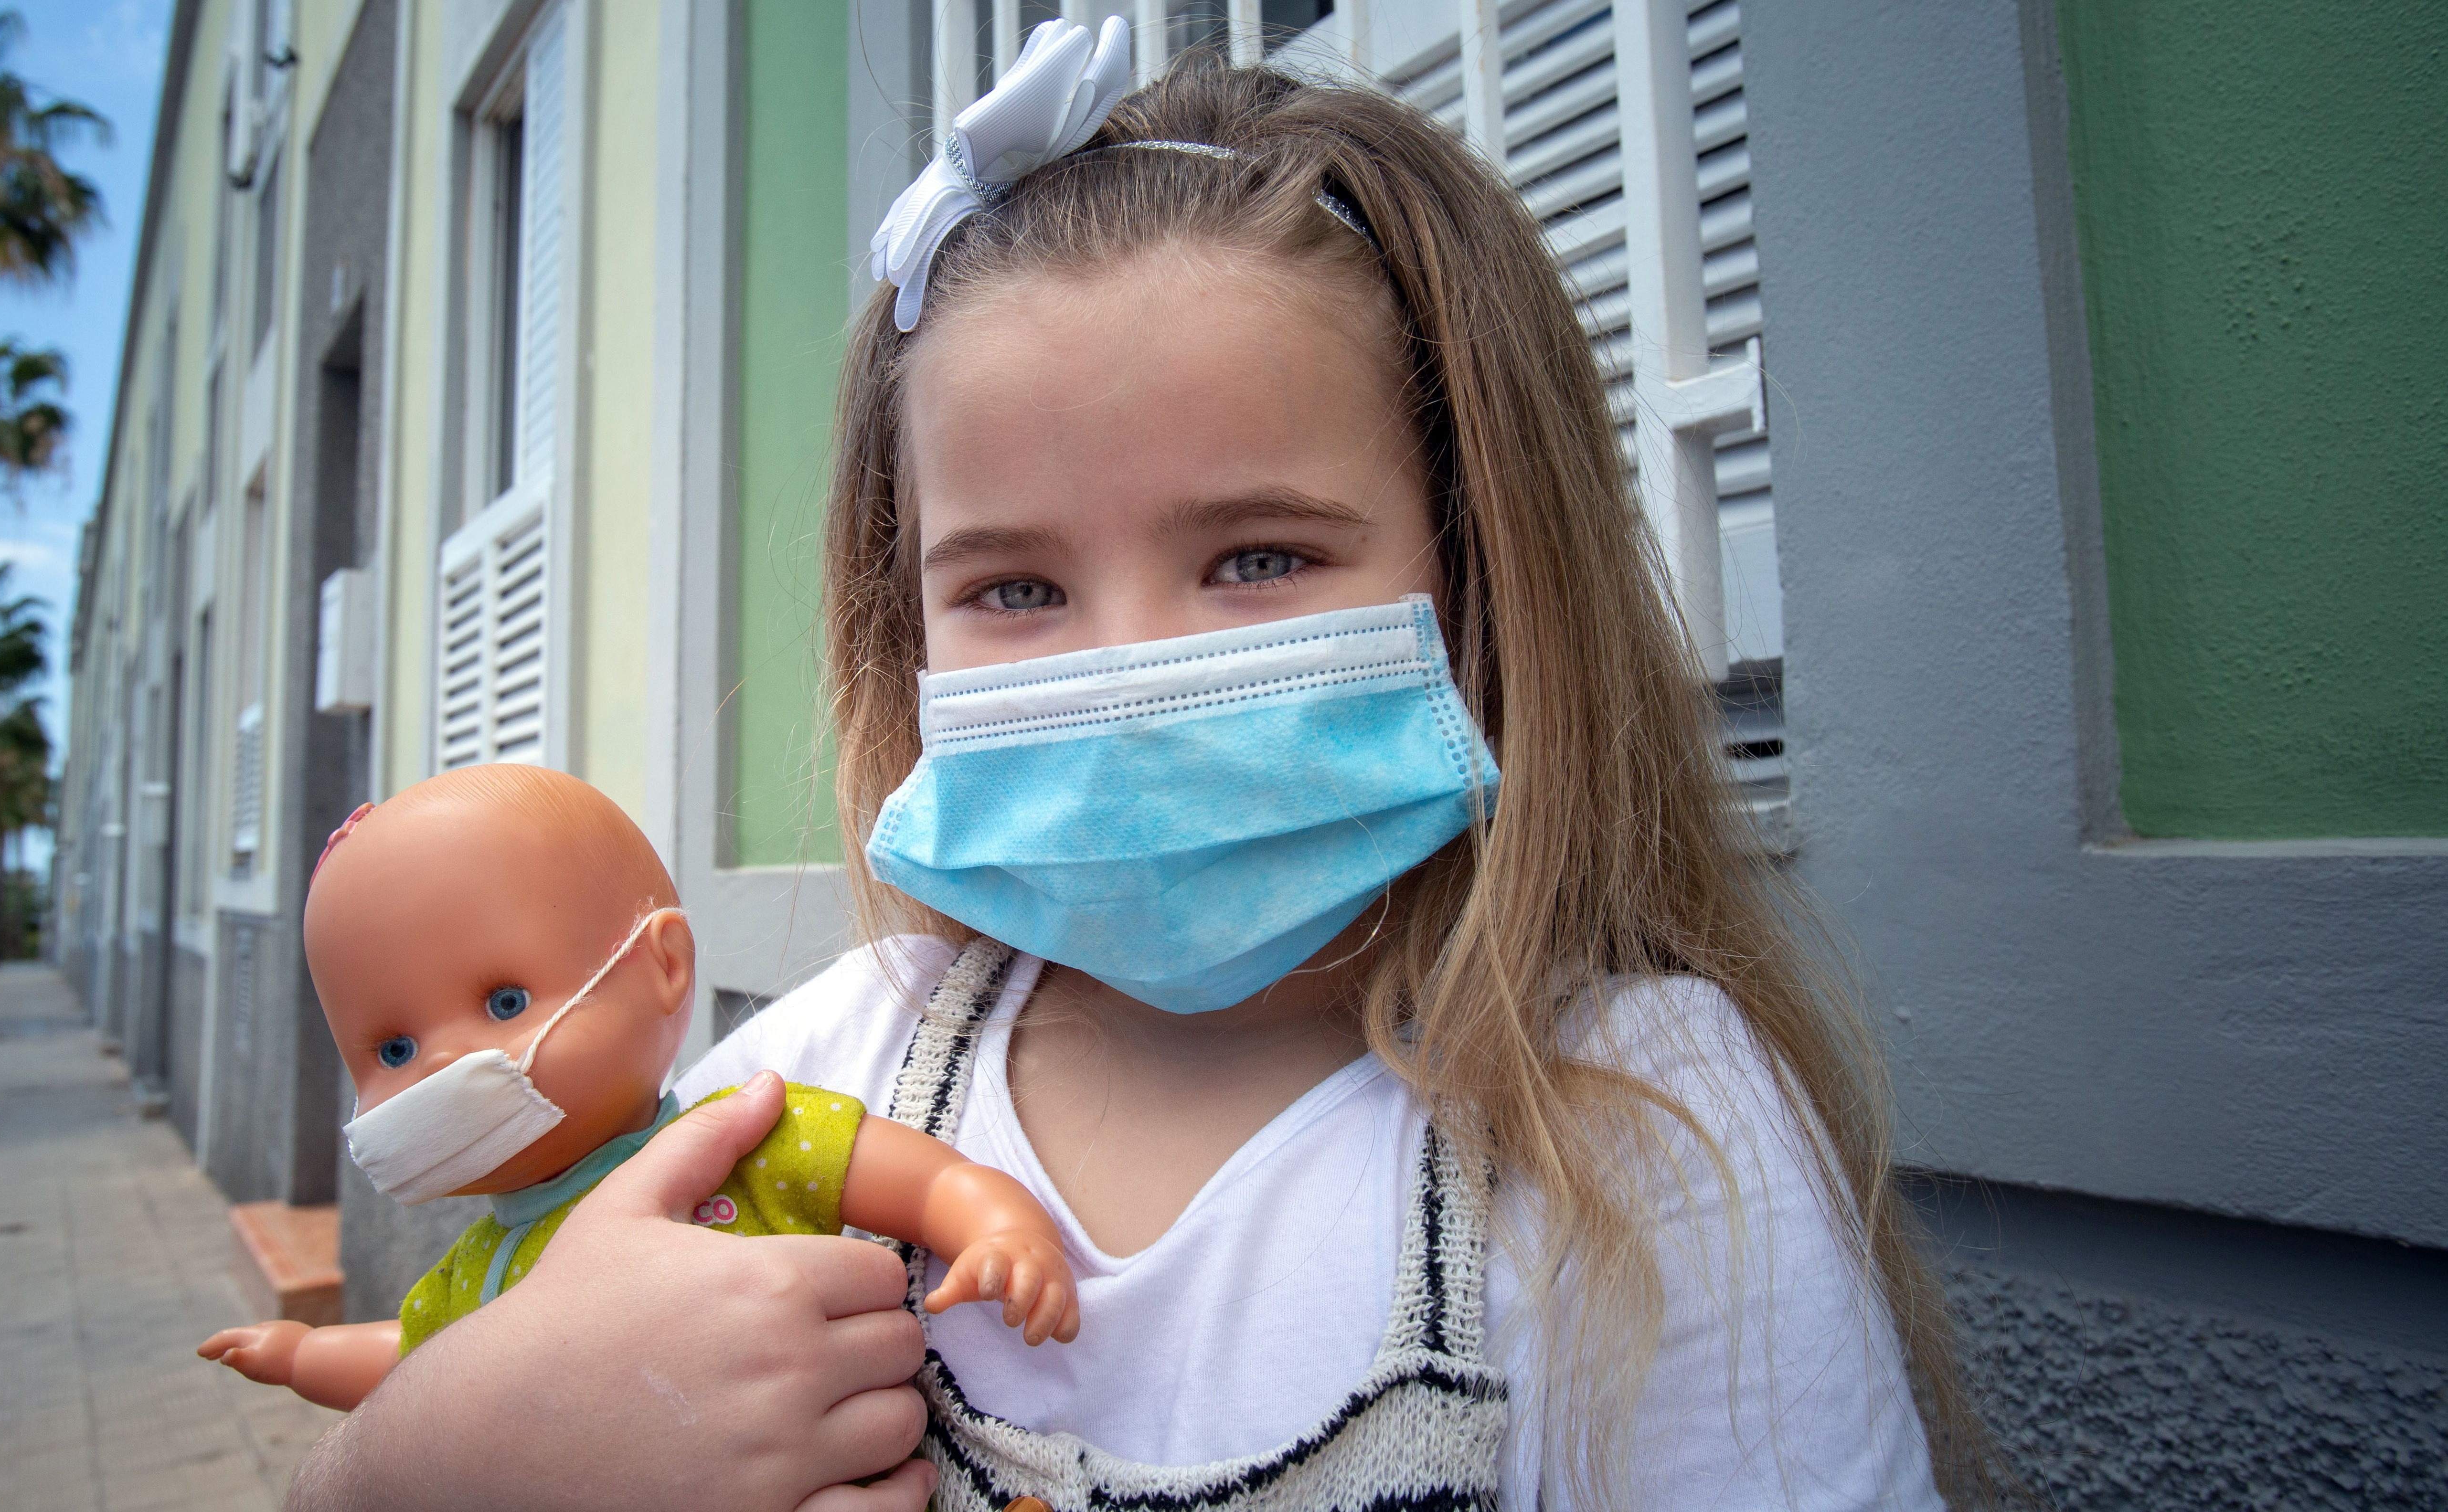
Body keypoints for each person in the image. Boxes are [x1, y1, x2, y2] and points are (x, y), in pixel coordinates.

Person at [290, 24, 1999, 1512]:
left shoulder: (1641, 1133)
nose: (1122, 663)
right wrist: (427, 1458)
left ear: (1483, 576)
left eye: (1257, 555)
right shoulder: (844, 1048)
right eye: (1016, 587)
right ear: (909, 627)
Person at [198, 765, 1079, 1411]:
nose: (435, 1062)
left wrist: (1001, 1228)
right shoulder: (477, 1269)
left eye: (504, 1002)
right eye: (391, 1049)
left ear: (662, 967)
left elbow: (922, 1179)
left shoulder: (743, 1142)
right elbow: (417, 1359)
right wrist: (304, 1355)